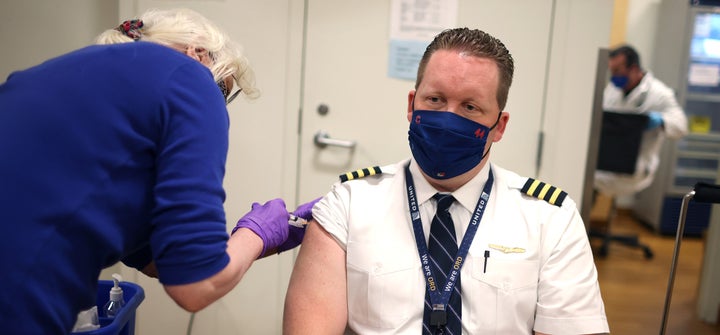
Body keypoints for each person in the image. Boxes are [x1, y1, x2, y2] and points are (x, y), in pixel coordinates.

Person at [0, 8, 316, 334]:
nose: (216, 105)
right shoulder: (189, 76)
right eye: (222, 90)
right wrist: (257, 232)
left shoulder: (58, 76)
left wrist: (265, 241)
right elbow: (195, 286)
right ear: (198, 52)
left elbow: (162, 263)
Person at [283, 27, 610, 335]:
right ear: (412, 105)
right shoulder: (349, 204)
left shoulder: (550, 218)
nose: (448, 118)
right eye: (436, 100)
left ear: (499, 126)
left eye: (470, 107)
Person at [595, 44, 688, 196]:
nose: (614, 76)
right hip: (607, 162)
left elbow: (681, 126)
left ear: (634, 68)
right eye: (612, 71)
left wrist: (660, 120)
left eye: (617, 70)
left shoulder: (659, 93)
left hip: (636, 167)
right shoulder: (613, 88)